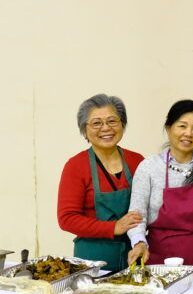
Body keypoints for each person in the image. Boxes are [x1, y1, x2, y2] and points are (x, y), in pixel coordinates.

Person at [126, 100, 193, 278]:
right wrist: (139, 243)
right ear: (168, 128)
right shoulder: (149, 167)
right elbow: (137, 215)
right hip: (161, 258)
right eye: (182, 126)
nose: (188, 133)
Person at [57, 94, 145, 272]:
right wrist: (114, 227)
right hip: (92, 261)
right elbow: (67, 218)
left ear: (122, 124)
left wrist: (141, 242)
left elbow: (149, 208)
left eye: (112, 121)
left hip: (134, 255)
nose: (106, 128)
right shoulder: (76, 166)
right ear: (84, 130)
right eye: (96, 123)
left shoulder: (137, 161)